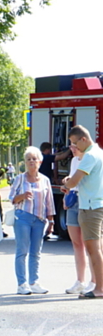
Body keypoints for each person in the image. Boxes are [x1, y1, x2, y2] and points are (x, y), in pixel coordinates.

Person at [63, 125, 103, 298]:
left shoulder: (89, 156)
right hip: (98, 203)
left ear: (83, 139)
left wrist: (66, 182)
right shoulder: (100, 152)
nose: (74, 147)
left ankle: (99, 288)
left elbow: (73, 182)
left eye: (74, 143)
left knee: (93, 249)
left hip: (90, 206)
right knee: (97, 248)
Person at [9, 146, 55, 295]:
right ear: (25, 162)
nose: (31, 162)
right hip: (23, 216)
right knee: (22, 251)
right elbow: (11, 198)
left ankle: (34, 282)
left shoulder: (45, 180)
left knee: (36, 252)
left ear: (40, 161)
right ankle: (22, 284)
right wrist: (21, 196)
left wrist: (51, 221)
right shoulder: (19, 178)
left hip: (39, 219)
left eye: (34, 159)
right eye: (28, 159)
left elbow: (49, 201)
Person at [63, 142, 95, 294]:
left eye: (74, 145)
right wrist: (66, 193)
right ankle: (80, 280)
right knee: (77, 243)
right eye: (70, 146)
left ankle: (94, 281)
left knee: (91, 244)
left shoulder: (91, 158)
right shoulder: (74, 161)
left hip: (87, 201)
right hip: (73, 199)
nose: (71, 149)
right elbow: (72, 182)